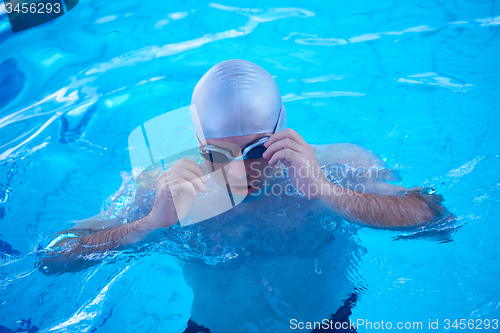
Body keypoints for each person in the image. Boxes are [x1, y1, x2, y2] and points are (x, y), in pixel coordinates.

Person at [43, 59, 448, 332]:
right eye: (219, 154)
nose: (242, 169)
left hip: (328, 323)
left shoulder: (341, 166)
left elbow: (433, 218)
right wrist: (148, 224)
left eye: (257, 150)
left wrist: (328, 193)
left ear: (281, 127)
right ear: (197, 141)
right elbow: (55, 258)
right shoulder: (160, 188)